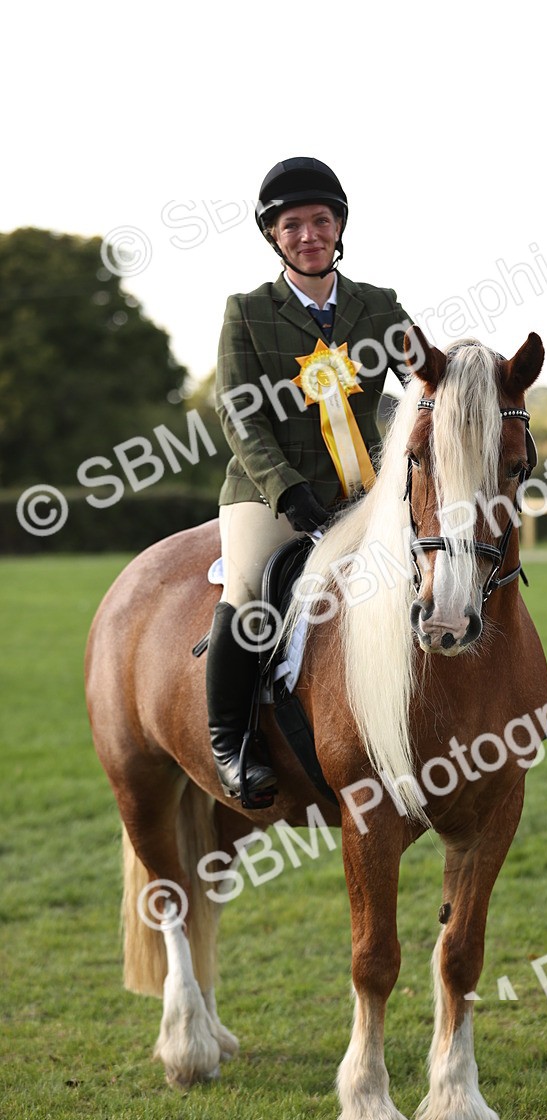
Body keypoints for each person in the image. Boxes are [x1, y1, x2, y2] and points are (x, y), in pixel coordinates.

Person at [207, 156, 412, 806]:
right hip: (271, 490)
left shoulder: (376, 306)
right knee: (248, 589)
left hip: (364, 489)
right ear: (274, 235)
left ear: (339, 225)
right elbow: (240, 414)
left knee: (447, 559)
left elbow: (426, 377)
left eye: (320, 220)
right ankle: (231, 744)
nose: (308, 234)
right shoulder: (247, 312)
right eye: (292, 225)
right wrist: (287, 488)